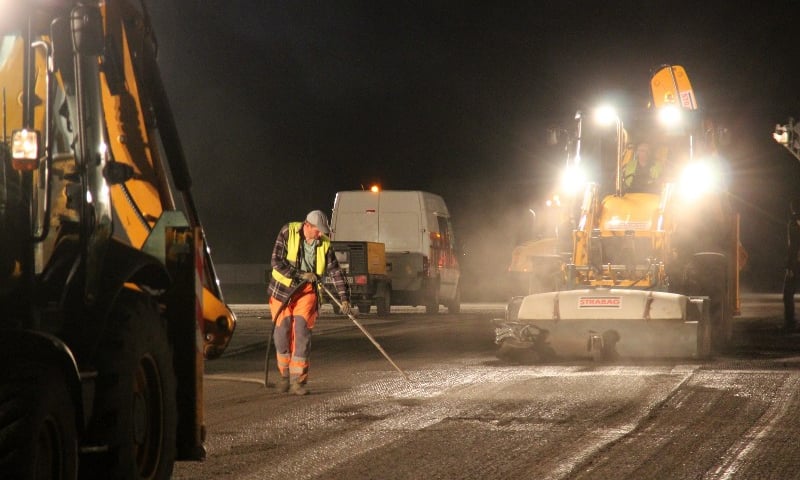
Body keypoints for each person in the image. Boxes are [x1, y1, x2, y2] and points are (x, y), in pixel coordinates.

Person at [268, 209, 351, 395]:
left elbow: (336, 272)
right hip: (281, 292)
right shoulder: (287, 232)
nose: (320, 234)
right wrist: (301, 274)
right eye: (317, 231)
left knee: (302, 333)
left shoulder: (324, 244)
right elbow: (276, 262)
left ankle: (298, 381)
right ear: (307, 226)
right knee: (282, 333)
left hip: (307, 293)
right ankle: (284, 376)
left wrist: (344, 298)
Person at [783, 199, 800, 332]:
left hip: (796, 262)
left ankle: (790, 323)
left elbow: (793, 246)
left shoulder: (794, 223)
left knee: (788, 293)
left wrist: (789, 266)